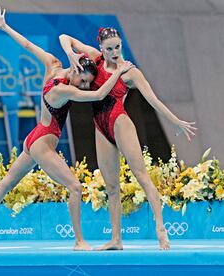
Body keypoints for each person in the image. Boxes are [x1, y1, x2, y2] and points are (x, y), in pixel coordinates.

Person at [0, 8, 135, 252]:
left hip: (34, 137)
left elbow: (29, 45)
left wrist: (5, 27)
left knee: (6, 183)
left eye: (88, 83)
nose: (86, 86)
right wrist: (120, 72)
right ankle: (79, 241)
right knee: (75, 187)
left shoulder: (53, 64)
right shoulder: (64, 90)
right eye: (84, 81)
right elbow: (100, 94)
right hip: (42, 144)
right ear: (77, 71)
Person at [59, 28, 197, 250]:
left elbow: (154, 101)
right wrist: (70, 55)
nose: (114, 52)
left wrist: (176, 121)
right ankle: (116, 239)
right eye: (110, 48)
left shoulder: (131, 73)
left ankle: (161, 229)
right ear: (102, 48)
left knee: (142, 176)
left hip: (120, 122)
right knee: (111, 187)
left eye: (118, 47)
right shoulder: (95, 58)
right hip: (99, 127)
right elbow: (65, 37)